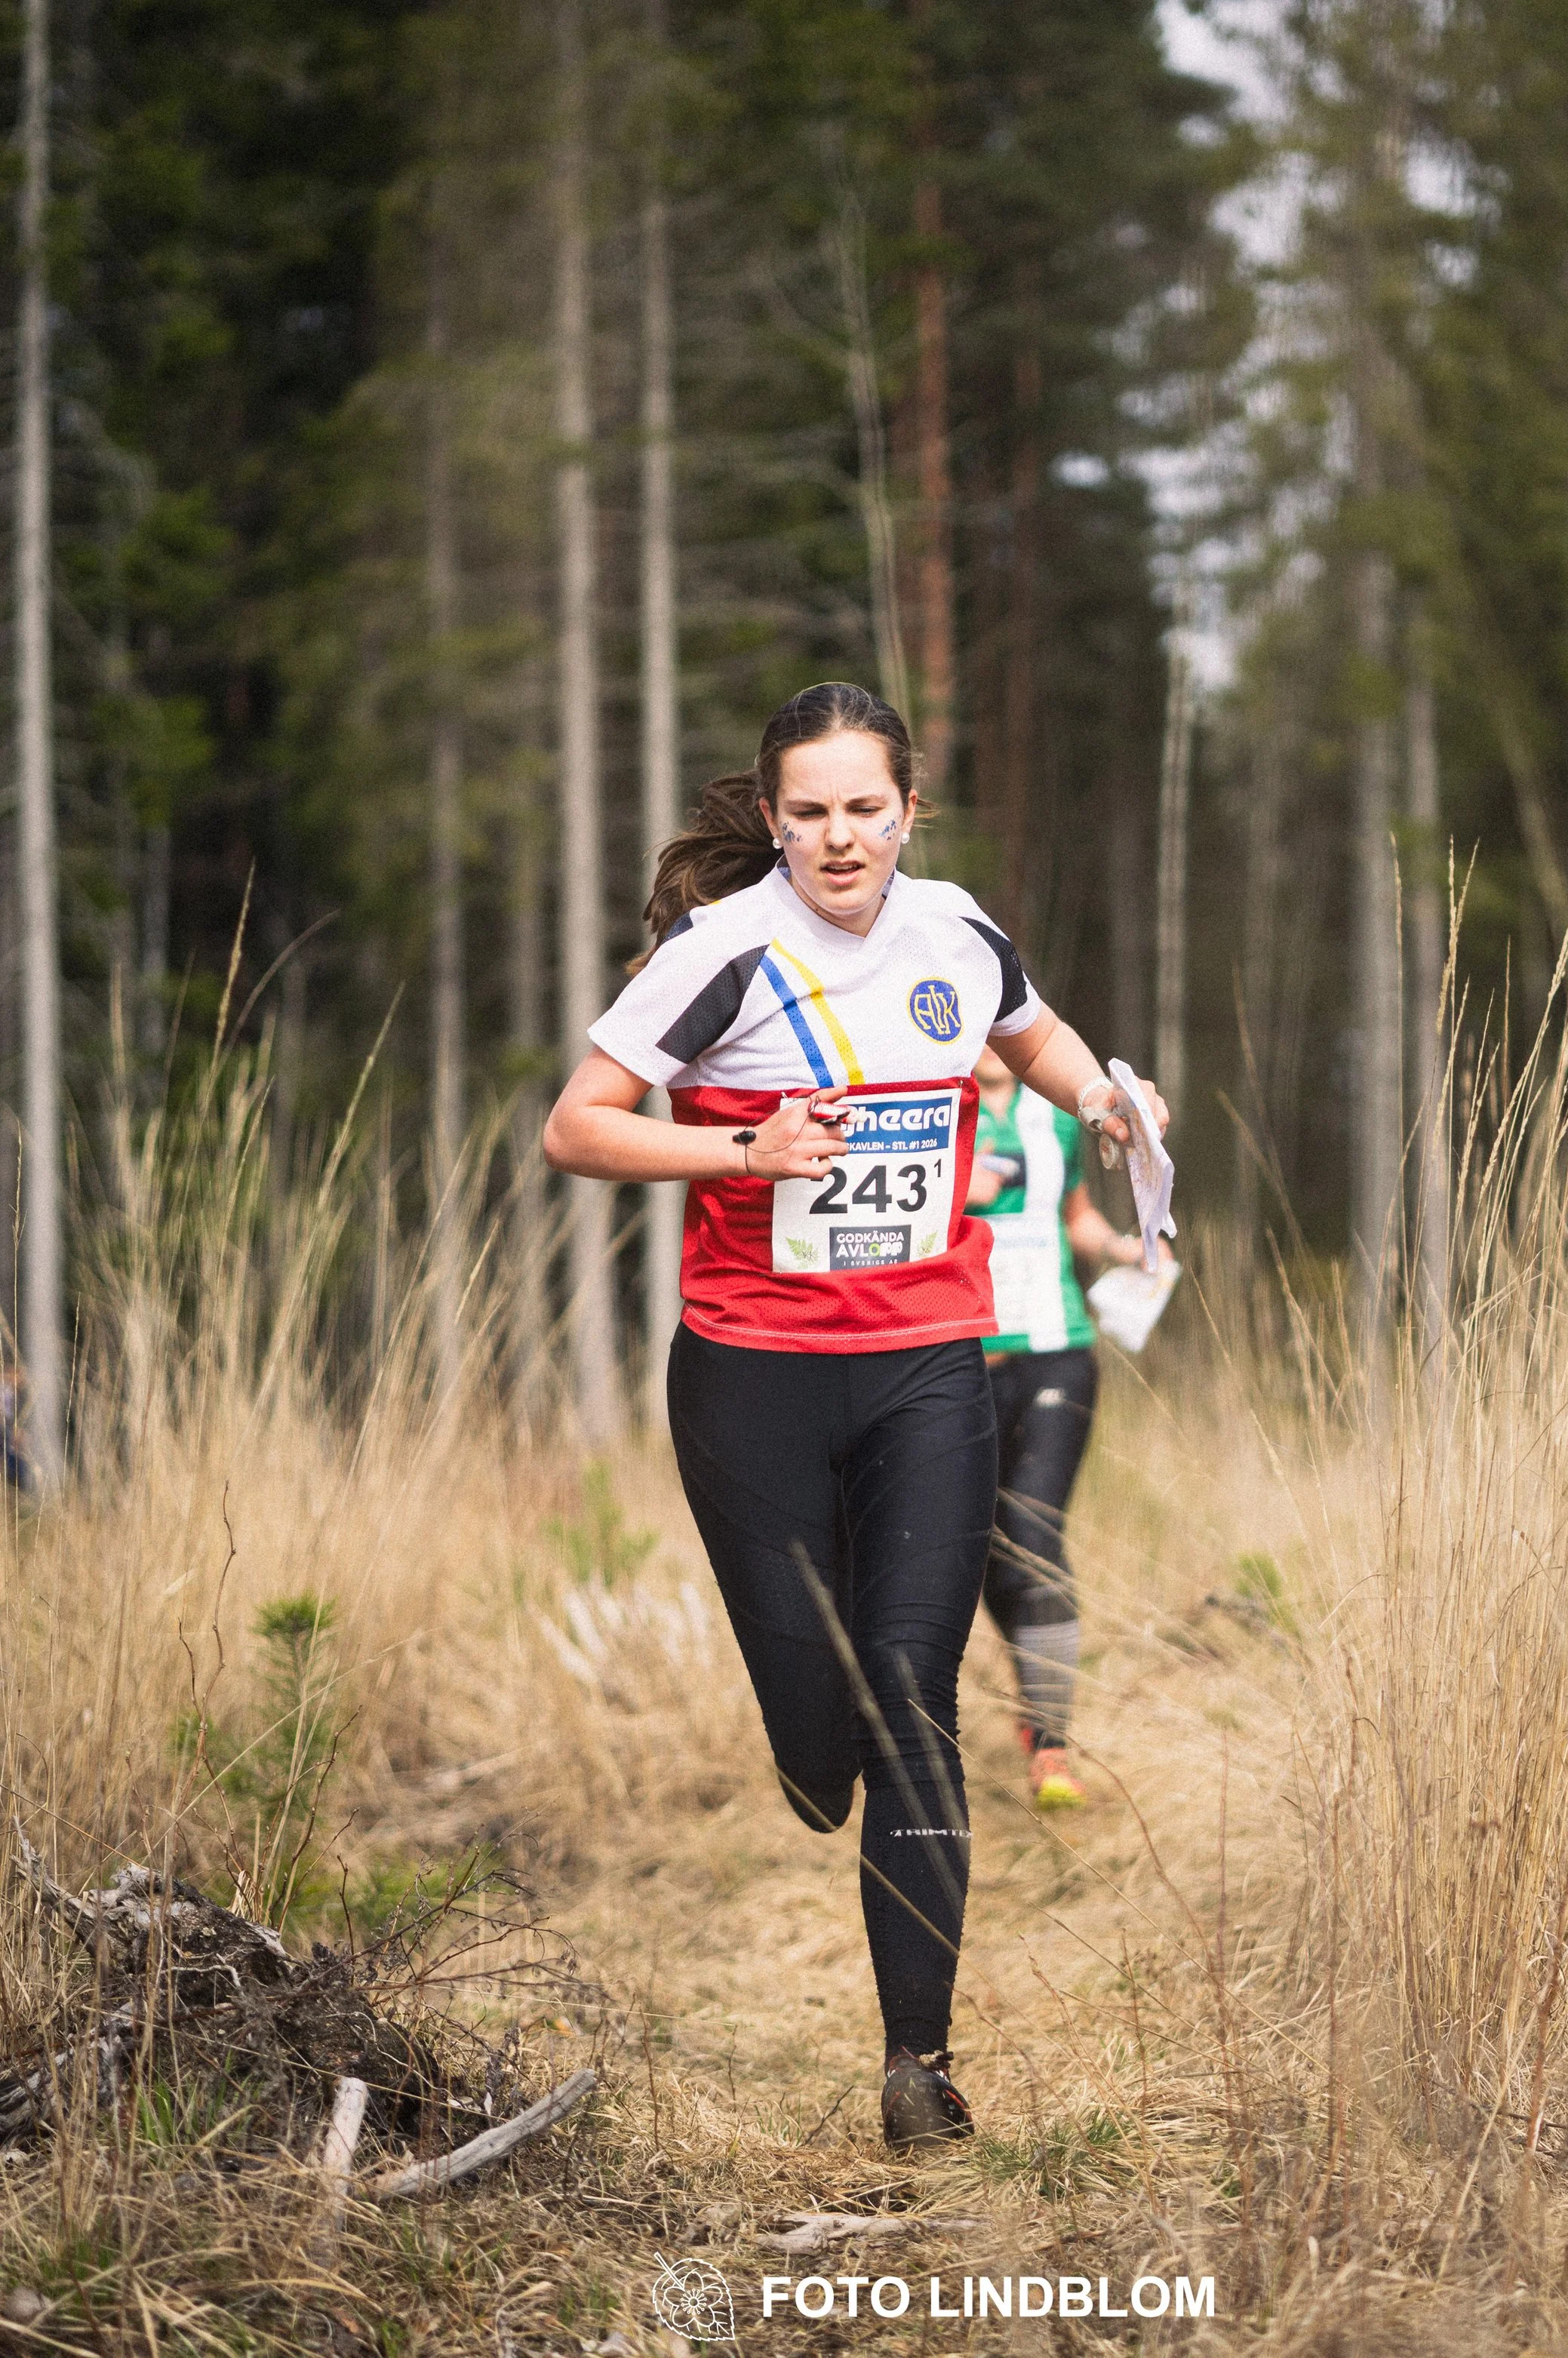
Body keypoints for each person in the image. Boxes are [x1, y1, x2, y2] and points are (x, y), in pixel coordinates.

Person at [543, 681, 1167, 2152]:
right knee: (823, 1730)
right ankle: (801, 1739)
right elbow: (578, 1121)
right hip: (750, 1374)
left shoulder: (954, 928)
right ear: (771, 816)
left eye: (865, 808)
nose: (839, 837)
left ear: (907, 807)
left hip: (926, 1368)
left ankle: (916, 2062)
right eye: (809, 811)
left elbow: (1037, 1033)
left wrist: (1097, 1098)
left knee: (910, 1688)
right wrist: (739, 1144)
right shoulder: (720, 952)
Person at [967, 1044, 1147, 1811]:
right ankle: (1030, 1686)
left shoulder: (1053, 1114)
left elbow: (1072, 1211)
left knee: (1033, 1529)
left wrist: (1120, 1248)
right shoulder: (934, 1107)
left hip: (1057, 1350)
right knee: (982, 1547)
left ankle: (1052, 1745)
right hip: (962, 1358)